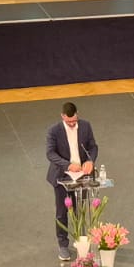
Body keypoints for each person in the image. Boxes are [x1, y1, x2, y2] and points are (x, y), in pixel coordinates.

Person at [45, 103, 99, 258]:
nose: (72, 124)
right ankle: (63, 245)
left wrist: (90, 161)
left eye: (74, 121)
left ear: (77, 114)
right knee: (62, 212)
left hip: (81, 175)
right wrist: (68, 165)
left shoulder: (85, 126)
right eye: (69, 122)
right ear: (62, 116)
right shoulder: (54, 130)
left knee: (79, 210)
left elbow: (93, 147)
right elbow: (50, 153)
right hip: (62, 175)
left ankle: (81, 241)